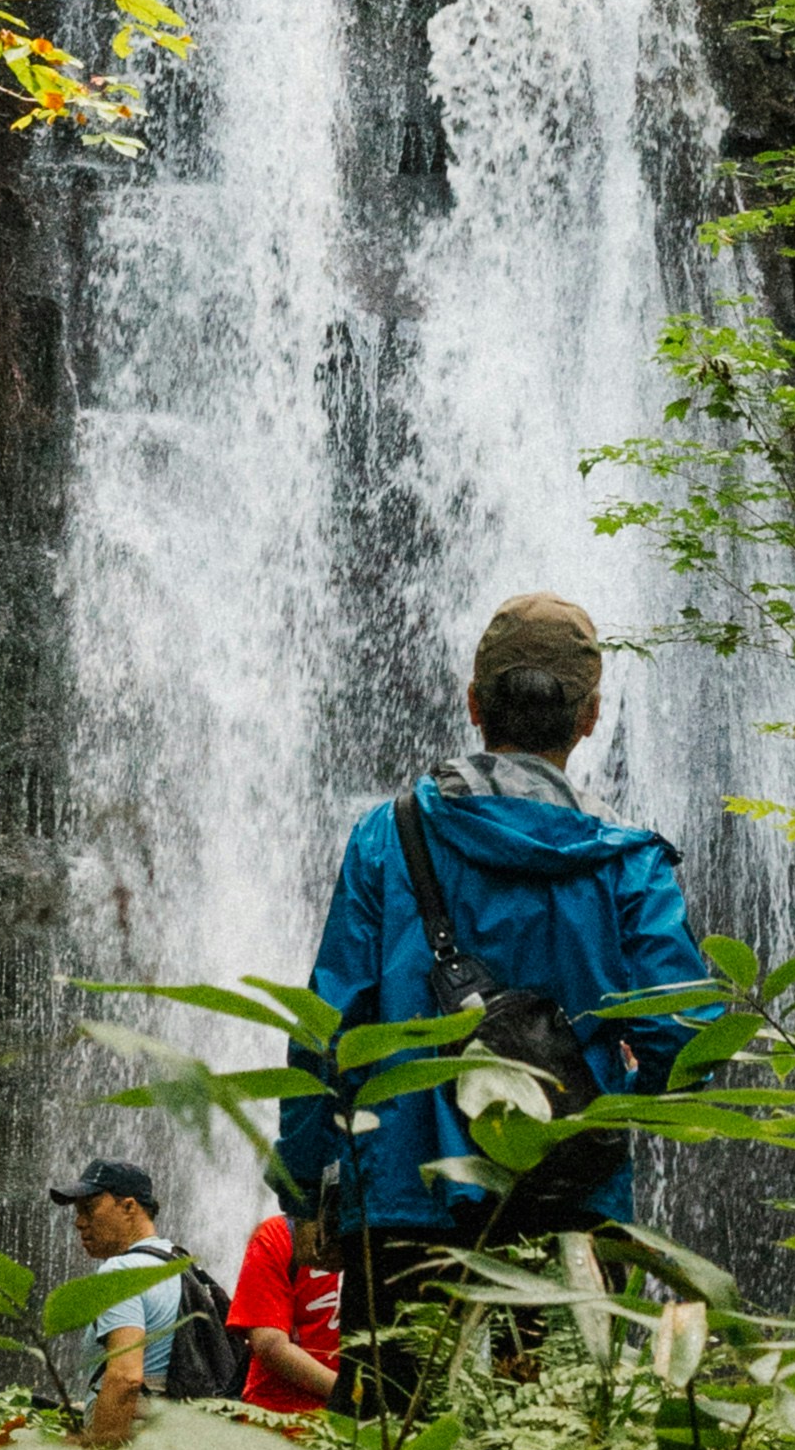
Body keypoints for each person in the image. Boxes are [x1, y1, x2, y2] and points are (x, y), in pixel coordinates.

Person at [277, 589, 713, 1408]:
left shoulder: (388, 835)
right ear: (589, 718)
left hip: (405, 1200)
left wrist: (303, 1187)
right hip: (566, 1202)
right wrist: (613, 1106)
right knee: (555, 1447)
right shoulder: (627, 861)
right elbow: (689, 1038)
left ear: (475, 704)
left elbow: (328, 1025)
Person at [51, 1160, 239, 1445]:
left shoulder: (122, 1273)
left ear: (129, 1207)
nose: (78, 1222)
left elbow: (125, 1378)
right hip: (182, 1442)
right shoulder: (181, 1265)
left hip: (137, 1449)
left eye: (88, 1209)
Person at [227, 1189, 344, 1423]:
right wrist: (352, 1397)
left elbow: (270, 1345)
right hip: (349, 1427)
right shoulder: (390, 1241)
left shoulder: (276, 1234)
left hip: (274, 1423)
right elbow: (269, 1345)